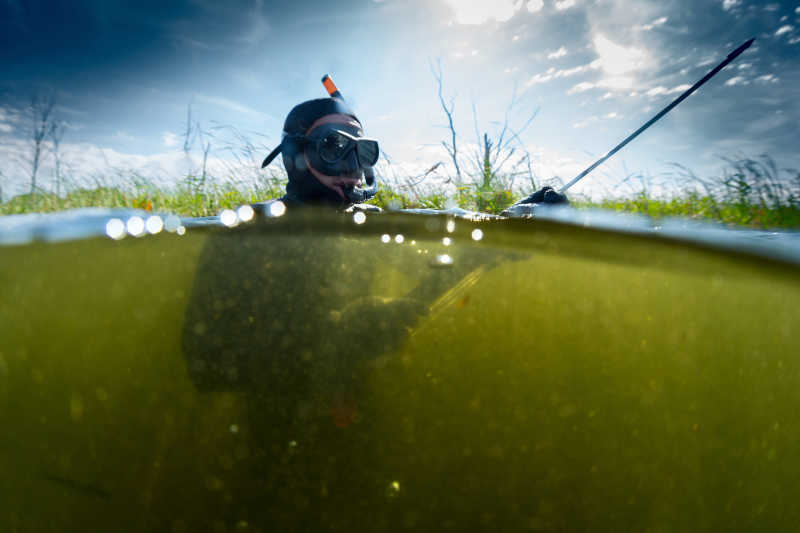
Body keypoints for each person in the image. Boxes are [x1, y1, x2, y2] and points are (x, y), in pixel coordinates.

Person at [256, 95, 567, 214]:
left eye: (363, 152)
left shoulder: (372, 222)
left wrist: (509, 221)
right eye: (333, 147)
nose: (352, 168)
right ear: (293, 154)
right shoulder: (254, 227)